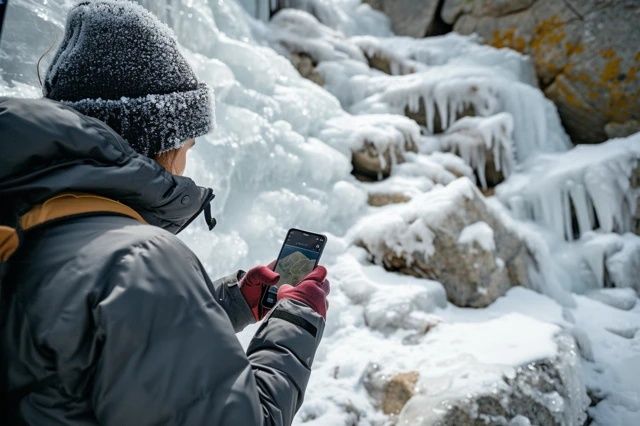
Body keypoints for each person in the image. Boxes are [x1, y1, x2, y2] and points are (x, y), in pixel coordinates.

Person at [0, 1, 330, 425]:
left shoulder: (28, 221)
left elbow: (84, 343)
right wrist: (295, 324)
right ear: (159, 140)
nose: (186, 165)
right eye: (187, 147)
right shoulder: (138, 260)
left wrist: (224, 305)